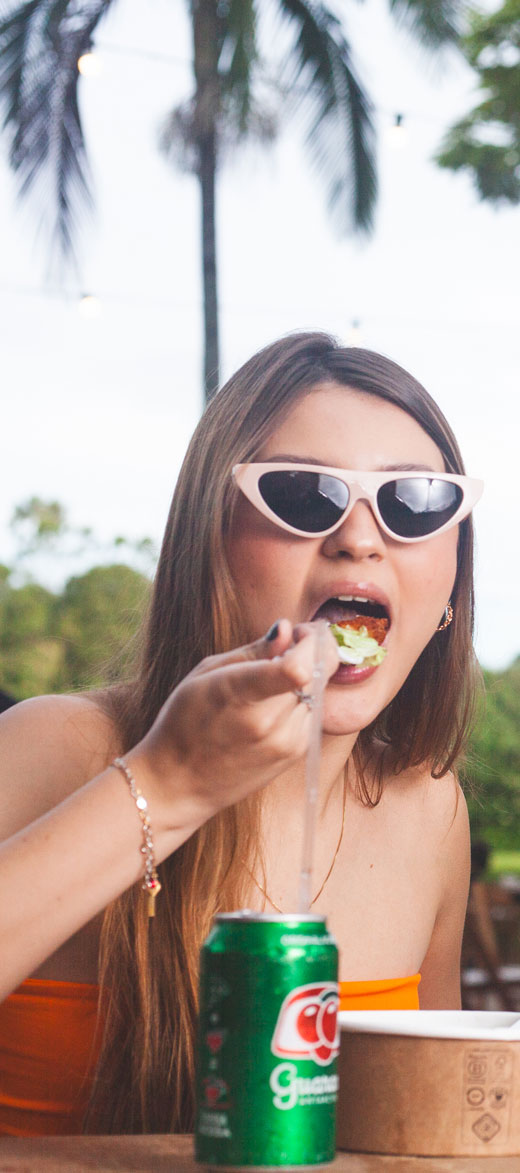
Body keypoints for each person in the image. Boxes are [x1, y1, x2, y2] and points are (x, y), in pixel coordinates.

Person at [0, 332, 483, 1136]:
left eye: (416, 502)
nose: (361, 538)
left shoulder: (428, 809)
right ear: (208, 546)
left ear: (448, 591)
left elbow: (427, 1128)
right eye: (303, 494)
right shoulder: (54, 749)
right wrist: (166, 783)